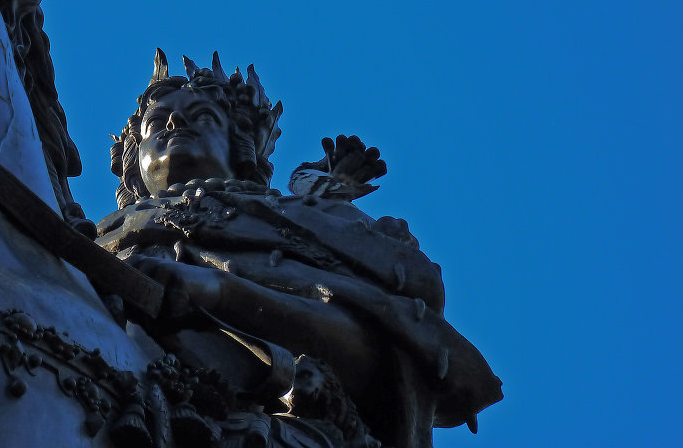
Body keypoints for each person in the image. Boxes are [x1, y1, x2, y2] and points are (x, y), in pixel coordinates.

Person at [97, 51, 502, 448]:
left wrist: (218, 292)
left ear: (240, 148)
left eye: (203, 116)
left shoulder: (315, 221)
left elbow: (386, 353)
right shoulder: (95, 239)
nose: (174, 122)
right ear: (136, 160)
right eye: (155, 122)